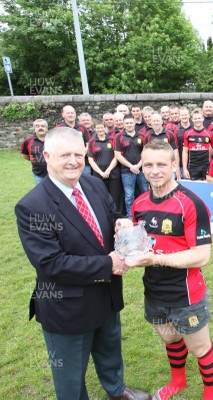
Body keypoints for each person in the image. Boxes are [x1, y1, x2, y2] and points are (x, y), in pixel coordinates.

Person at [15, 127, 150, 400]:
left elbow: (110, 215)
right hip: (67, 304)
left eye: (78, 154)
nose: (74, 161)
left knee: (109, 347)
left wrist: (120, 221)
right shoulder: (32, 206)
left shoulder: (93, 184)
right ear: (47, 157)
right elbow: (51, 264)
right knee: (70, 374)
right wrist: (108, 264)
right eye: (65, 155)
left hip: (106, 294)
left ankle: (116, 390)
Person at [128, 140, 213, 400]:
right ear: (142, 166)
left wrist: (156, 259)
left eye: (161, 164)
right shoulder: (139, 204)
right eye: (148, 164)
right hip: (154, 292)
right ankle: (178, 381)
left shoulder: (191, 204)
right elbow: (142, 243)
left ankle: (209, 395)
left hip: (186, 295)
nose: (154, 170)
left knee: (199, 347)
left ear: (173, 165)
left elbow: (202, 256)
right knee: (170, 339)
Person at [115, 115, 148, 218]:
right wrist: (131, 166)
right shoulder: (119, 137)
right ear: (124, 125)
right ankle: (131, 217)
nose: (129, 125)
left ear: (134, 123)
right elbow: (117, 155)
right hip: (126, 171)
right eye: (127, 123)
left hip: (141, 170)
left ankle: (147, 214)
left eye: (131, 122)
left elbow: (146, 152)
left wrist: (138, 166)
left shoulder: (142, 136)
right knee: (129, 196)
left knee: (145, 193)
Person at [88, 120, 124, 215]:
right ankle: (103, 215)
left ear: (105, 128)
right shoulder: (92, 141)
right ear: (95, 129)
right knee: (100, 196)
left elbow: (116, 157)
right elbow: (91, 160)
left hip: (113, 173)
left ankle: (117, 216)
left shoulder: (112, 139)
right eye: (98, 128)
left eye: (101, 127)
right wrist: (101, 172)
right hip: (98, 174)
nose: (100, 129)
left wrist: (108, 170)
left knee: (115, 196)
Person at [182, 110, 213, 181]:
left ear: (203, 118)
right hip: (193, 166)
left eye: (199, 118)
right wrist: (184, 169)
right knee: (195, 188)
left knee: (207, 186)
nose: (197, 120)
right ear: (192, 120)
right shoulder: (187, 133)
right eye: (195, 119)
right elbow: (185, 152)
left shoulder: (209, 133)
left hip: (206, 165)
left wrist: (209, 154)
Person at [21, 118, 48, 185]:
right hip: (38, 174)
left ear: (47, 129)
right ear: (34, 129)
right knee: (41, 193)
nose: (40, 128)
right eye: (37, 126)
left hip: (55, 174)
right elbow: (25, 155)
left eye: (43, 126)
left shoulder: (53, 139)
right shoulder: (28, 141)